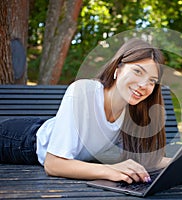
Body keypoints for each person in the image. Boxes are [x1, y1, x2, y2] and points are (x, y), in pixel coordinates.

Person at [0, 38, 170, 184]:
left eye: (152, 81)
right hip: (21, 140)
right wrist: (111, 171)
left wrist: (181, 163)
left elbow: (146, 160)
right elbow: (53, 164)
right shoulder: (84, 92)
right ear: (117, 69)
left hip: (51, 133)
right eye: (138, 71)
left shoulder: (133, 112)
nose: (143, 85)